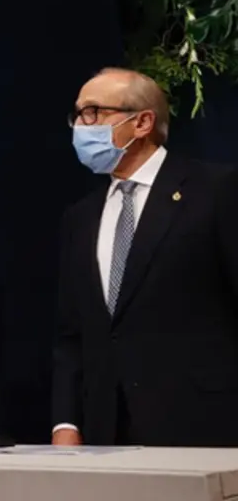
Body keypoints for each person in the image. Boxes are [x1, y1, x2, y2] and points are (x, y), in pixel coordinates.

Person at [53, 68, 238, 447]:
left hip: (206, 428)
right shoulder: (81, 216)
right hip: (106, 434)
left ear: (142, 122)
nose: (82, 126)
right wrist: (66, 423)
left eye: (93, 112)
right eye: (78, 115)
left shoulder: (216, 192)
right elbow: (72, 333)